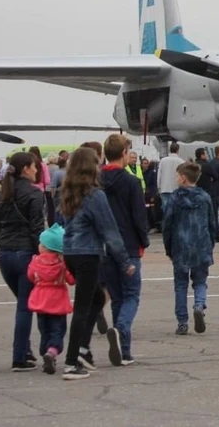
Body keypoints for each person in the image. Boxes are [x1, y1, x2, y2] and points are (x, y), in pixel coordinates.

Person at [60, 147, 134, 381]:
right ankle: (72, 361)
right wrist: (124, 260)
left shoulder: (68, 193)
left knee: (97, 298)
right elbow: (109, 230)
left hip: (70, 251)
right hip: (87, 253)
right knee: (82, 306)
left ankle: (82, 349)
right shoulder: (94, 195)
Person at [0, 152, 46, 372]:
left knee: (23, 302)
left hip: (5, 254)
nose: (37, 170)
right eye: (34, 166)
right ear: (25, 169)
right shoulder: (34, 194)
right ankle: (19, 356)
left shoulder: (2, 194)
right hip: (25, 253)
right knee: (25, 306)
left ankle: (25, 350)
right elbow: (37, 229)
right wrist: (44, 256)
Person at [99, 135, 149, 367]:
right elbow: (139, 215)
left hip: (104, 246)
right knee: (131, 295)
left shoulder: (97, 181)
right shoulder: (130, 182)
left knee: (117, 296)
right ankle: (120, 331)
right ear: (123, 153)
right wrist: (143, 240)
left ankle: (124, 351)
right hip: (127, 243)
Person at [163, 161, 217, 336]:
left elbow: (168, 225)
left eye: (178, 176)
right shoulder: (205, 197)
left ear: (184, 178)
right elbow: (211, 224)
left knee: (180, 284)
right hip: (201, 244)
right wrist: (211, 244)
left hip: (180, 245)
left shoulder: (174, 198)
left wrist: (168, 247)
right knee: (200, 281)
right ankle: (199, 305)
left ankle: (182, 322)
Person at [27, 224, 75, 375]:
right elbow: (72, 280)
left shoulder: (35, 261)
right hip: (57, 300)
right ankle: (52, 351)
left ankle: (45, 353)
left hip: (41, 299)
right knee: (58, 330)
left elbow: (30, 275)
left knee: (44, 330)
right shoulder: (62, 263)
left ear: (46, 247)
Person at [157, 142, 182, 215]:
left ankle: (167, 225)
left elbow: (159, 175)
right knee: (177, 212)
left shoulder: (163, 160)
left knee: (166, 212)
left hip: (164, 189)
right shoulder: (181, 161)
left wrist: (159, 187)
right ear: (178, 150)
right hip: (176, 189)